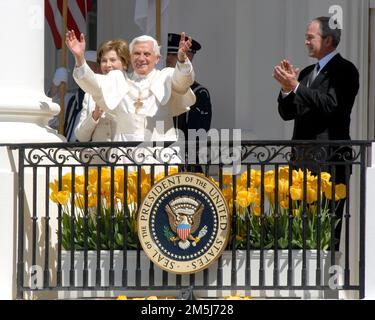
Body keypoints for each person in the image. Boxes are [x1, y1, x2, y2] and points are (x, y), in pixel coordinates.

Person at [273, 16, 359, 248]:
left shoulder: (345, 70)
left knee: (326, 227)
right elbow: (288, 113)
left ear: (328, 40)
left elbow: (333, 105)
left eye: (310, 37)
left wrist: (297, 87)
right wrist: (286, 90)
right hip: (302, 162)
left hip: (329, 161)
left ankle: (325, 281)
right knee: (298, 227)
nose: (306, 42)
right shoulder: (308, 72)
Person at [65, 31, 196, 145]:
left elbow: (183, 82)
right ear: (131, 57)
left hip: (159, 156)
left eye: (147, 54)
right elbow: (93, 84)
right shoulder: (118, 79)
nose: (141, 58)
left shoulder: (166, 76)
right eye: (137, 53)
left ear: (157, 59)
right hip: (125, 158)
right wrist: (79, 59)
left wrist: (182, 60)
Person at [166, 33, 212, 173]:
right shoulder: (159, 87)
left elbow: (197, 135)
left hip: (185, 165)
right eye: (167, 54)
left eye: (172, 55)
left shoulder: (199, 93)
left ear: (188, 57)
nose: (167, 59)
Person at [74, 39, 130, 142]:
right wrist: (94, 117)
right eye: (104, 61)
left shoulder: (133, 90)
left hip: (124, 156)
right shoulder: (90, 94)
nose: (108, 65)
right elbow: (80, 137)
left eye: (113, 60)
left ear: (124, 63)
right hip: (97, 156)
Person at [47, 51, 100, 141]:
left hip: (86, 152)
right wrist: (55, 87)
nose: (83, 75)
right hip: (67, 153)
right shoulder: (70, 99)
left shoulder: (100, 99)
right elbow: (51, 120)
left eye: (88, 70)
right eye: (79, 70)